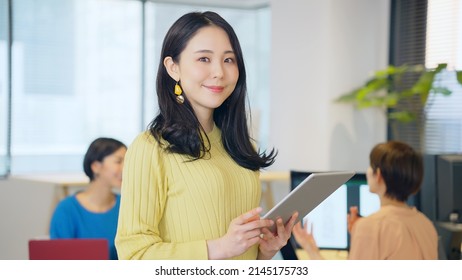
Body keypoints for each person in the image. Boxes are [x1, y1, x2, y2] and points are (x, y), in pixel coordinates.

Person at [115, 11, 298, 260]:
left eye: (229, 60)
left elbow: (238, 255)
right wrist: (218, 248)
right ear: (173, 67)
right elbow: (133, 254)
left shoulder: (239, 147)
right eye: (204, 59)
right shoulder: (150, 147)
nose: (219, 72)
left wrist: (264, 252)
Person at [293, 140, 438, 260]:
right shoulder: (426, 224)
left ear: (378, 175)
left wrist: (364, 233)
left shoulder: (371, 227)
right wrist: (310, 247)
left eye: (370, 166)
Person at [50, 137, 127, 260]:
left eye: (127, 162)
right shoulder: (67, 209)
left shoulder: (127, 206)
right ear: (96, 166)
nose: (126, 168)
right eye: (118, 161)